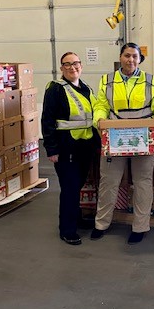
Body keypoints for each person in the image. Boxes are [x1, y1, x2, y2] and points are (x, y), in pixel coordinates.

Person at [91, 42, 154, 245]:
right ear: (120, 57)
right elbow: (101, 104)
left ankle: (140, 227)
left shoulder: (151, 81)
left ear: (140, 59)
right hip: (114, 139)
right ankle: (101, 224)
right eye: (127, 55)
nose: (131, 60)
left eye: (135, 56)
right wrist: (99, 119)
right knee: (108, 182)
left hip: (143, 139)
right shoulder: (107, 81)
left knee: (142, 183)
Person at [41, 52, 100, 246]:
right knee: (69, 188)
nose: (72, 67)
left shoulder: (86, 88)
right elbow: (47, 121)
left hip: (85, 146)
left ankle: (77, 219)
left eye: (75, 63)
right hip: (66, 148)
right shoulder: (55, 90)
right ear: (62, 68)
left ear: (81, 65)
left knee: (78, 186)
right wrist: (51, 150)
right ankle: (67, 230)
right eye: (67, 64)